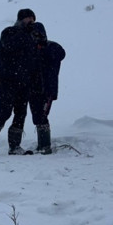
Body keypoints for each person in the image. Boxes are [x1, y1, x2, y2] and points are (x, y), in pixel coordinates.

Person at [0, 8, 39, 155]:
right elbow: (10, 46)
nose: (31, 21)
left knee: (21, 113)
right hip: (6, 79)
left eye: (33, 19)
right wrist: (25, 34)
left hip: (24, 81)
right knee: (5, 111)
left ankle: (14, 146)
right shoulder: (9, 32)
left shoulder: (31, 37)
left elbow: (34, 58)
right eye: (29, 18)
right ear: (21, 19)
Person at [28, 23, 66, 154]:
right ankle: (41, 144)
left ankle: (45, 145)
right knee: (36, 116)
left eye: (38, 34)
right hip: (33, 89)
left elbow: (61, 53)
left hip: (47, 90)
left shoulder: (52, 48)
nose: (36, 38)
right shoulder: (31, 50)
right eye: (33, 35)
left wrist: (43, 47)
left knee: (42, 116)